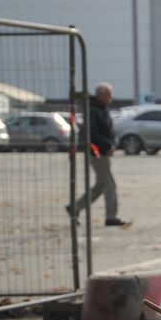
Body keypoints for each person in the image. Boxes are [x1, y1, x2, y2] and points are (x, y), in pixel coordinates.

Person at [67, 83, 128, 227]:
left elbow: (109, 130)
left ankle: (75, 207)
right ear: (101, 95)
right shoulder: (93, 110)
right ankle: (111, 217)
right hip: (96, 152)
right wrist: (107, 145)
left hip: (103, 150)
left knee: (100, 185)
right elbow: (92, 133)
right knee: (110, 184)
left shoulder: (102, 109)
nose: (110, 98)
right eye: (108, 95)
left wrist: (113, 143)